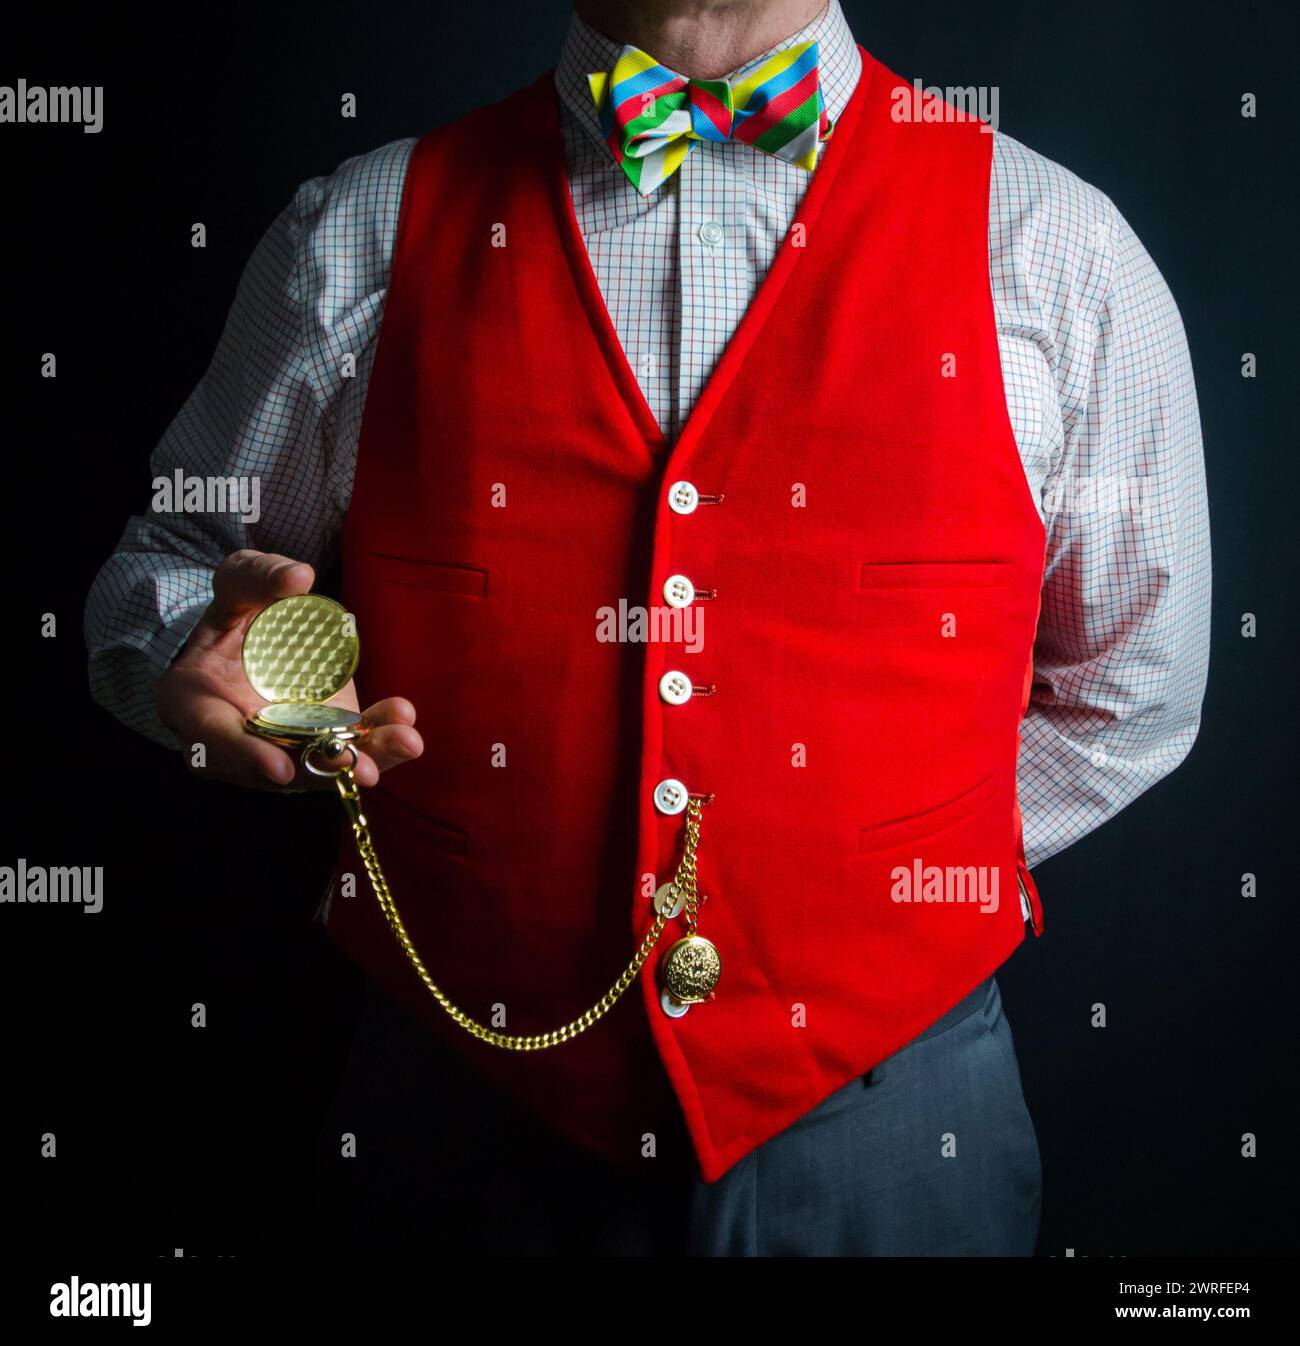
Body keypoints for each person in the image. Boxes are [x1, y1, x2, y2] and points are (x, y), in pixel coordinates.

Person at [84, 0, 1211, 1255]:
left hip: (893, 1133)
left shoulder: (1059, 247)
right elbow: (173, 560)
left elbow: (1136, 688)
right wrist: (188, 670)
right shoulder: (356, 230)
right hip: (457, 1107)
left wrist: (889, 879)